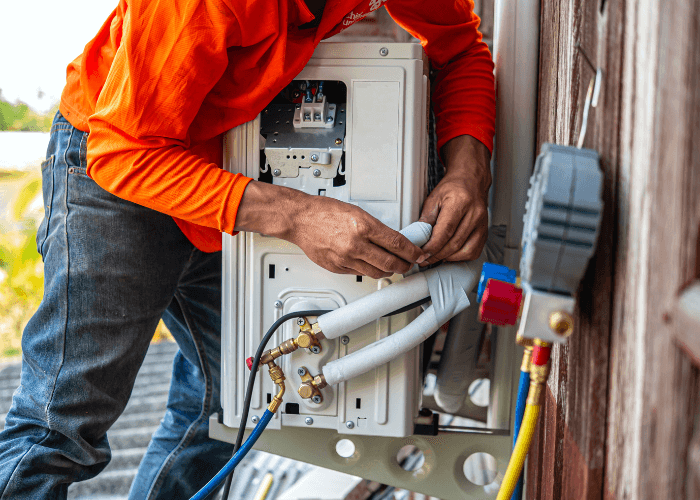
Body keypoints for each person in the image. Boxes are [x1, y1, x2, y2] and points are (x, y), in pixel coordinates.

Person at [0, 0, 495, 498]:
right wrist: (298, 216)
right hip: (121, 165)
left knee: (231, 399)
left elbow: (459, 48)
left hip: (224, 159)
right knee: (63, 420)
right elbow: (123, 152)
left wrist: (468, 167)